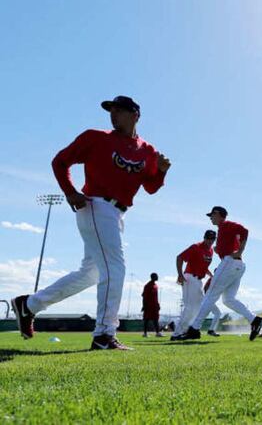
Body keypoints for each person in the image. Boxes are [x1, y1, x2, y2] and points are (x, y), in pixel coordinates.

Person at [12, 96, 170, 351]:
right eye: (111, 111)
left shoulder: (148, 151)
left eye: (119, 111)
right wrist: (69, 191)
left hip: (117, 213)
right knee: (115, 268)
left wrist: (161, 171)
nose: (113, 115)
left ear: (135, 115)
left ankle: (28, 305)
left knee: (91, 274)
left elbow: (150, 187)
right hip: (95, 205)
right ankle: (104, 334)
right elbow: (60, 161)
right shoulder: (96, 137)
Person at [173, 206, 262, 341]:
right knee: (228, 299)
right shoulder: (222, 230)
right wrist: (220, 249)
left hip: (230, 261)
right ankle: (254, 319)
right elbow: (232, 241)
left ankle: (194, 329)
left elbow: (245, 231)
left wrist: (240, 250)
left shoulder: (225, 225)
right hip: (238, 265)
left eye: (212, 215)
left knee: (210, 295)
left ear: (218, 214)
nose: (210, 218)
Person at [172, 230, 216, 339]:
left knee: (198, 308)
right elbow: (180, 257)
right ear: (204, 237)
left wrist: (211, 275)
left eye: (212, 239)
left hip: (199, 280)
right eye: (208, 238)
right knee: (189, 307)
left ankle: (188, 330)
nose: (210, 241)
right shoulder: (195, 247)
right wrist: (180, 274)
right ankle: (177, 333)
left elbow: (203, 266)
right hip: (190, 278)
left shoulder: (210, 251)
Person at [142, 273, 162, 337]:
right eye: (156, 276)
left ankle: (157, 333)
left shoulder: (155, 285)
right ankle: (145, 333)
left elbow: (156, 297)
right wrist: (144, 305)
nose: (157, 277)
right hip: (148, 305)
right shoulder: (147, 285)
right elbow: (144, 296)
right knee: (146, 319)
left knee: (156, 319)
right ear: (153, 277)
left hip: (155, 306)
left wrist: (158, 304)